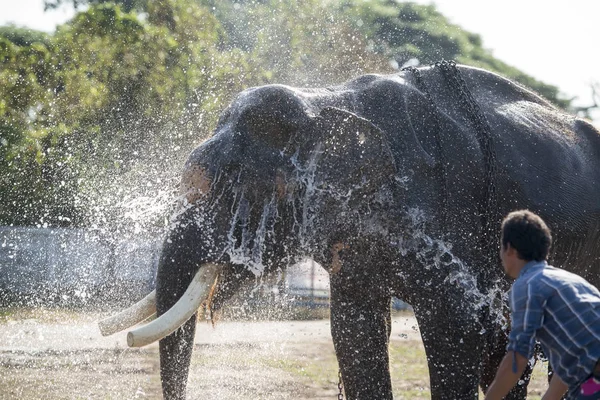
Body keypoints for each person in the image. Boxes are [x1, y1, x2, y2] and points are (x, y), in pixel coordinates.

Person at [485, 210, 600, 400]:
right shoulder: (569, 280)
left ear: (509, 249)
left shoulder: (527, 285)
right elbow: (568, 365)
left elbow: (518, 357)